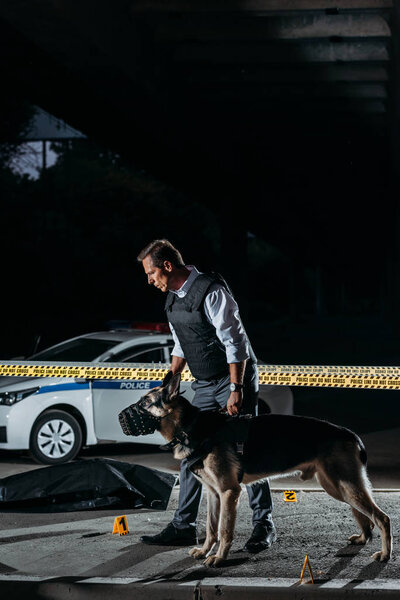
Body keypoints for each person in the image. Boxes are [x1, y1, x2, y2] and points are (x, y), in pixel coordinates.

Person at [136, 239, 276, 552]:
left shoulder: (211, 291)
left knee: (243, 451)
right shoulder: (172, 299)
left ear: (168, 266)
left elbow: (234, 342)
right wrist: (169, 380)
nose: (150, 280)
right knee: (188, 450)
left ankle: (263, 524)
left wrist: (235, 388)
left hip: (232, 380)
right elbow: (181, 345)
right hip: (202, 384)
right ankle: (184, 526)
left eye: (152, 273)